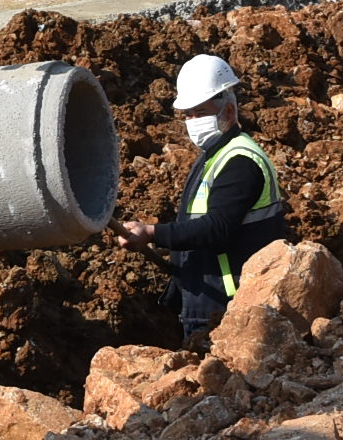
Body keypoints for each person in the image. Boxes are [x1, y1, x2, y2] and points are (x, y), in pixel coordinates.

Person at [119, 53, 288, 348]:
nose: (193, 122)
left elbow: (217, 226)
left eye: (201, 113)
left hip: (226, 301)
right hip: (204, 292)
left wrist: (152, 233)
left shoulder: (240, 161)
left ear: (230, 111)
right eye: (188, 115)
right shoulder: (214, 154)